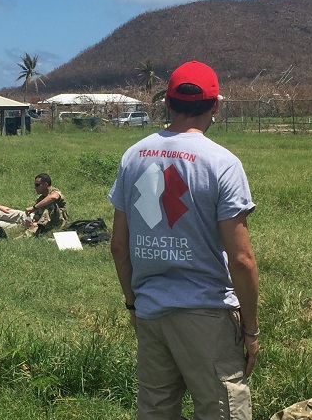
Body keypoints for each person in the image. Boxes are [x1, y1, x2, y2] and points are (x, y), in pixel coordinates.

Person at [107, 60, 260, 420]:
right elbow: (241, 260)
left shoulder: (133, 156)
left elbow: (118, 245)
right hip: (206, 313)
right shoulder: (222, 163)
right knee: (221, 408)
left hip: (150, 310)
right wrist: (251, 330)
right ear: (216, 106)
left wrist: (133, 303)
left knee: (156, 408)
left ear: (167, 103)